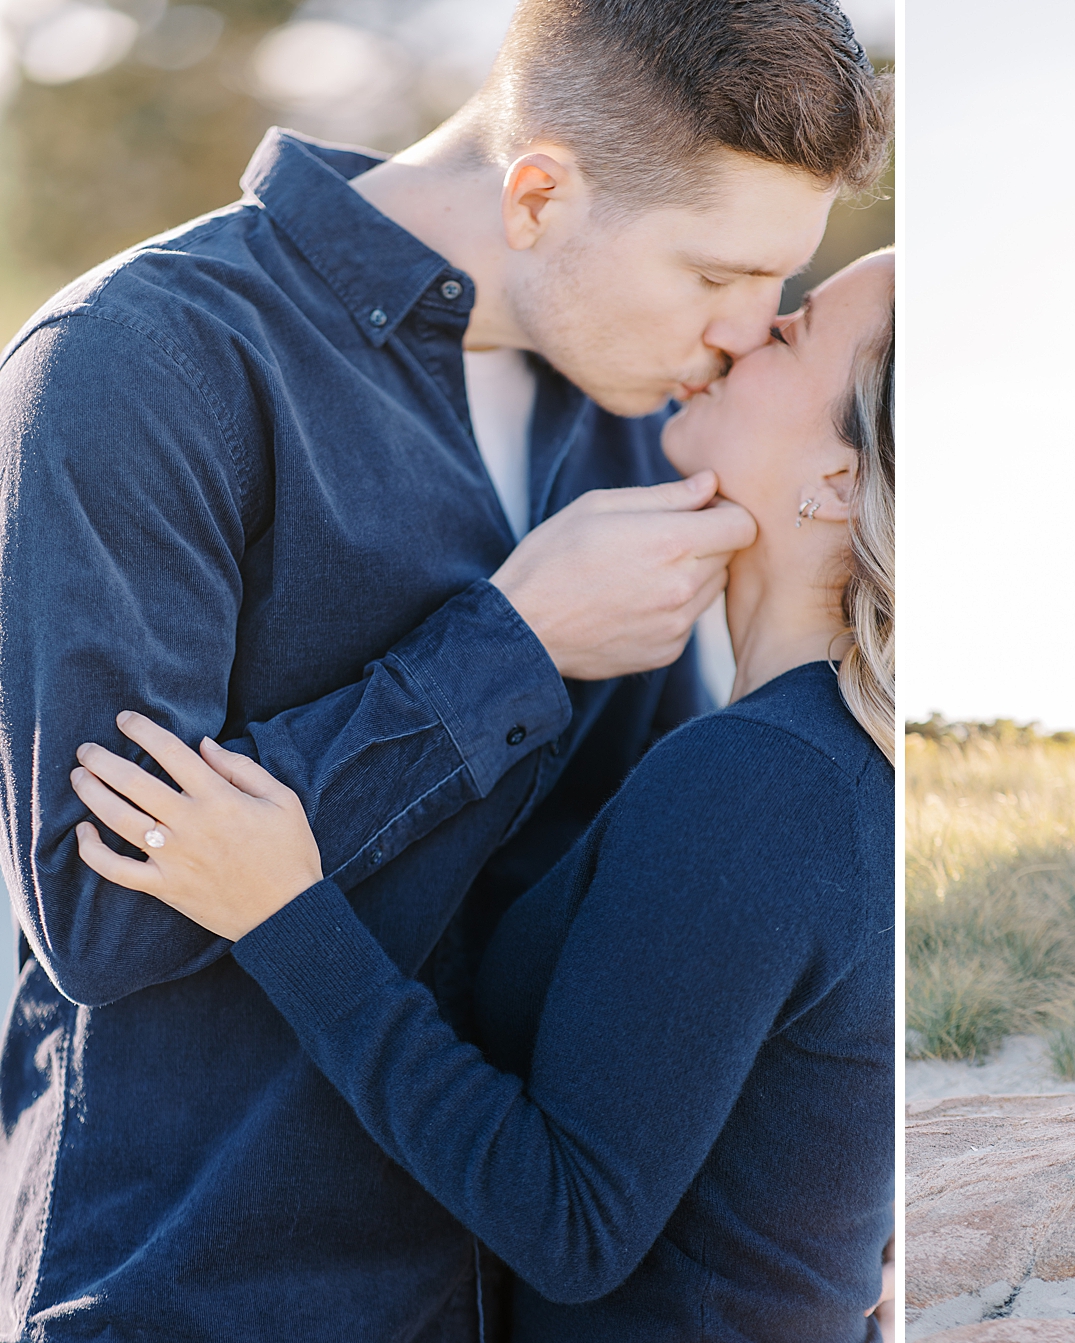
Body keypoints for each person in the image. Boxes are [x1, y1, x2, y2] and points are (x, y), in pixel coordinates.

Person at [0, 1, 891, 1336]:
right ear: (538, 192)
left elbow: (655, 887)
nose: (745, 333)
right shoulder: (148, 361)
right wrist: (511, 650)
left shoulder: (632, 417)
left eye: (782, 285)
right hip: (209, 1296)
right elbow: (97, 906)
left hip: (509, 1285)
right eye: (715, 277)